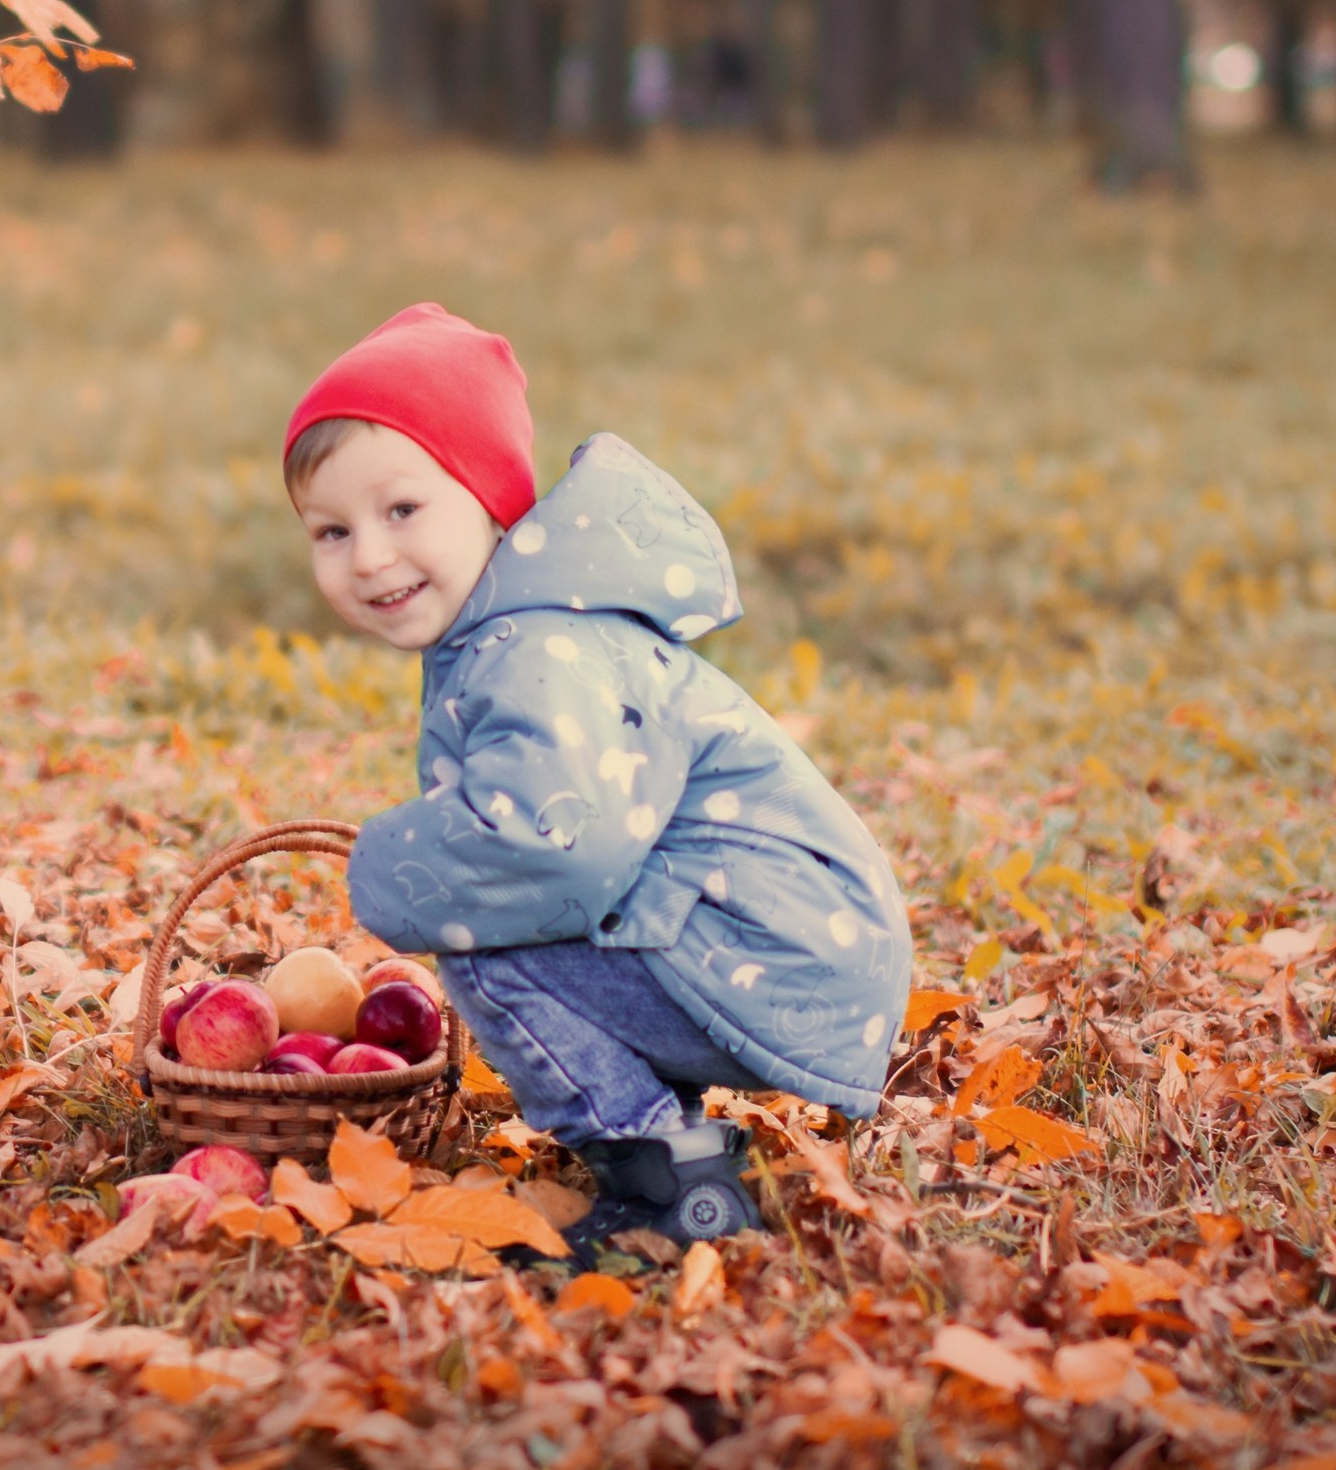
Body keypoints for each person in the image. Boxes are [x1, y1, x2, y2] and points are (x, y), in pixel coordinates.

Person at [284, 304, 911, 1261]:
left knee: (486, 935)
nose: (369, 555)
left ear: (488, 496)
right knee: (498, 911)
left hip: (780, 956)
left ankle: (666, 1171)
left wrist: (391, 864)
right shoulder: (520, 626)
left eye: (402, 509)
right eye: (331, 530)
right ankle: (670, 1129)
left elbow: (551, 847)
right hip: (782, 947)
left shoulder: (540, 647)